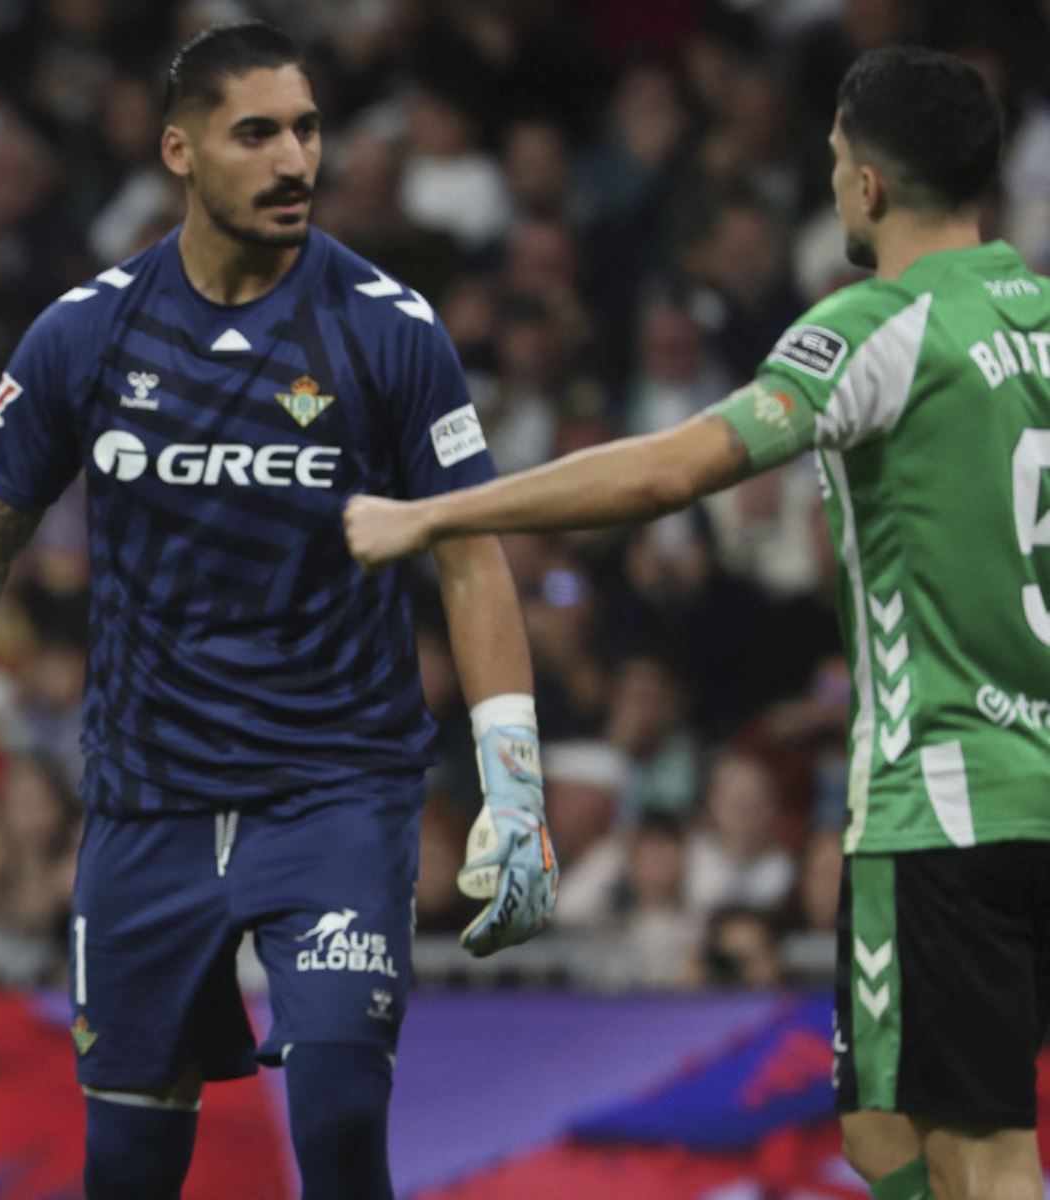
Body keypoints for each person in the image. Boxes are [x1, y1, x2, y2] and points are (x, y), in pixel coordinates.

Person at [0, 22, 557, 1200]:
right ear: (180, 151)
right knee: (130, 1164)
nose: (294, 158)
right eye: (257, 134)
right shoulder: (87, 331)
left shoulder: (388, 330)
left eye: (306, 129)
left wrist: (514, 778)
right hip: (148, 804)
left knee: (344, 1118)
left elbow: (471, 554)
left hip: (335, 793)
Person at [345, 46, 1048, 1200]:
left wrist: (437, 514)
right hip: (1025, 784)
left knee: (985, 1145)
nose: (830, 185)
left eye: (832, 164)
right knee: (882, 1131)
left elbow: (671, 471)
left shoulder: (879, 325)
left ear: (867, 186)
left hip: (950, 800)